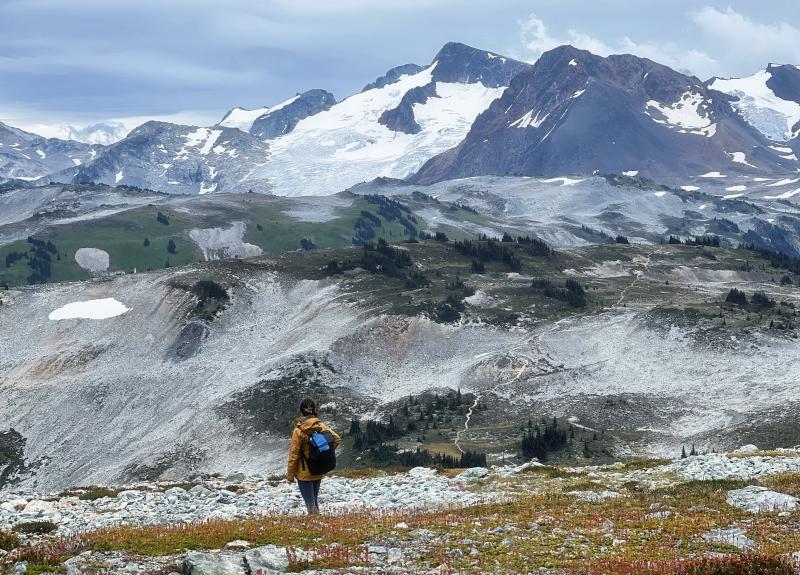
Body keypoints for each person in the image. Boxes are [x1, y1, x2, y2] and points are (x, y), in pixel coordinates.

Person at [286, 398, 341, 514]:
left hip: (304, 472)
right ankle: (319, 525)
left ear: (301, 411)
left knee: (310, 504)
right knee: (314, 501)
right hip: (318, 468)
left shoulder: (298, 430)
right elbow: (336, 439)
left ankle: (315, 526)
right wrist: (322, 453)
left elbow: (294, 454)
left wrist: (290, 475)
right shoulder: (321, 425)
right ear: (314, 411)